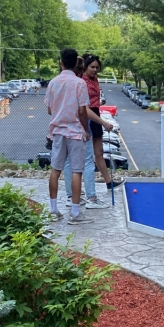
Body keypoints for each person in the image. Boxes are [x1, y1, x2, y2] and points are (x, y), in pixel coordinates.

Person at [63, 54, 119, 208]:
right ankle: (89, 197)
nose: (95, 70)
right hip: (85, 116)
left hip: (90, 114)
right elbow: (84, 109)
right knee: (84, 159)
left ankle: (104, 184)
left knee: (93, 154)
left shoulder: (92, 79)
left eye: (96, 67)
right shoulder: (81, 82)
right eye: (91, 67)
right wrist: (100, 124)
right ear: (84, 68)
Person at [46, 48, 91, 224]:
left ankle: (53, 209)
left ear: (61, 63)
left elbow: (49, 109)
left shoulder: (53, 83)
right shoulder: (80, 83)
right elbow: (82, 111)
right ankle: (75, 212)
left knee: (56, 169)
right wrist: (86, 130)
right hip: (75, 131)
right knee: (76, 171)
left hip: (58, 131)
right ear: (76, 64)